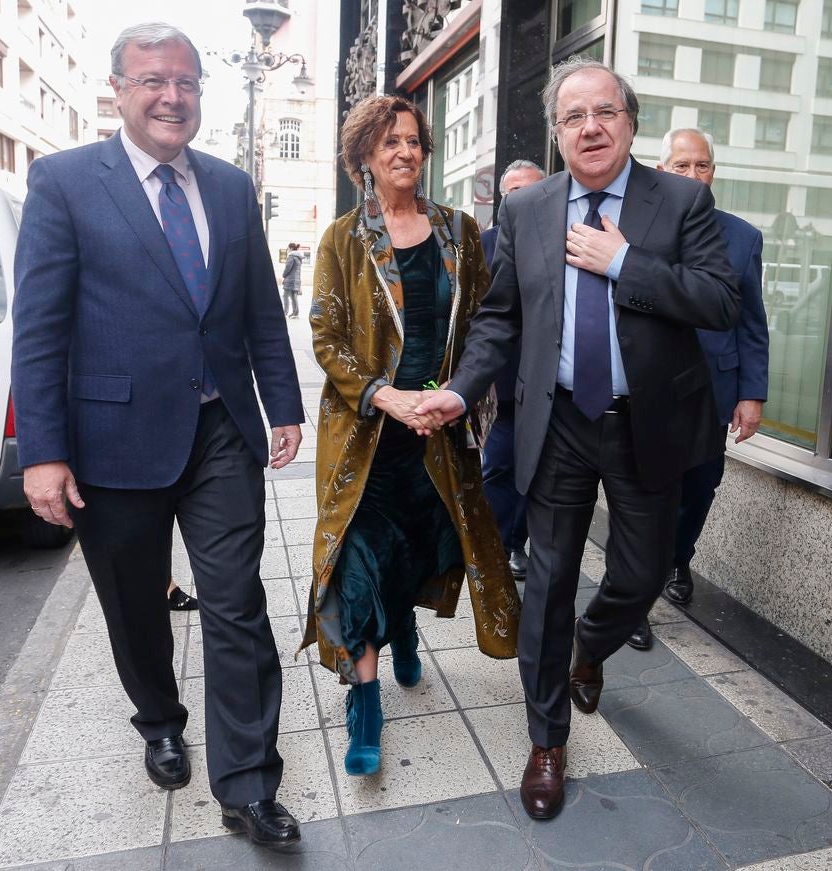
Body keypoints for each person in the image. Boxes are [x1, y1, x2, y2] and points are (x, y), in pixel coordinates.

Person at [414, 57, 738, 821]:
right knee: (550, 578)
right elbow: (500, 318)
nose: (590, 126)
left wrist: (624, 261)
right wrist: (461, 390)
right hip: (555, 419)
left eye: (605, 112)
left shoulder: (683, 201)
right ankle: (546, 738)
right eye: (573, 116)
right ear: (556, 131)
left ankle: (591, 646)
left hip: (644, 421)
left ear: (629, 122)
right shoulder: (529, 212)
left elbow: (721, 300)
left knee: (640, 573)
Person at [11, 22, 304, 850]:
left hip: (219, 429)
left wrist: (281, 403)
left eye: (185, 82)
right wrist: (43, 450)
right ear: (118, 89)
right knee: (134, 603)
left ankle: (248, 784)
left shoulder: (230, 186)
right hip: (112, 439)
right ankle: (159, 717)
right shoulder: (66, 181)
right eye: (152, 81)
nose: (171, 97)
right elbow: (38, 327)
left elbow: (257, 311)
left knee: (237, 603)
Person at [300, 94, 521, 779]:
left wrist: (452, 398)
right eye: (389, 141)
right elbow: (326, 337)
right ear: (364, 155)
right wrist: (383, 394)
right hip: (366, 442)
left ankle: (405, 627)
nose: (404, 151)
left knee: (417, 551)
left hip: (438, 438)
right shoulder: (344, 237)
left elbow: (487, 321)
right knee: (357, 566)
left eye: (413, 141)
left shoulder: (458, 231)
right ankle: (364, 702)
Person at [627, 128, 769, 651]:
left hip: (712, 391)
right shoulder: (632, 233)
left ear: (714, 172)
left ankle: (676, 558)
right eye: (681, 166)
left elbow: (752, 321)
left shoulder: (742, 237)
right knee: (645, 496)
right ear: (662, 171)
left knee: (698, 490)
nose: (693, 175)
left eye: (702, 166)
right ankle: (634, 601)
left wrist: (751, 393)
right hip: (649, 391)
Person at [479, 160, 545, 583]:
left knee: (533, 472)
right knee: (497, 466)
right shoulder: (482, 244)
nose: (520, 199)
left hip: (546, 383)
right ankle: (495, 543)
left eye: (531, 190)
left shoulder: (563, 241)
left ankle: (516, 542)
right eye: (513, 191)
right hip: (500, 384)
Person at [281, 242, 303, 318]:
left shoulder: (291, 257)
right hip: (296, 280)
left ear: (290, 248)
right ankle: (295, 313)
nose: (287, 250)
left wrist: (283, 275)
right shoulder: (298, 257)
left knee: (285, 296)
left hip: (290, 280)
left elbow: (288, 268)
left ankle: (285, 312)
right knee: (294, 296)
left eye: (287, 248)